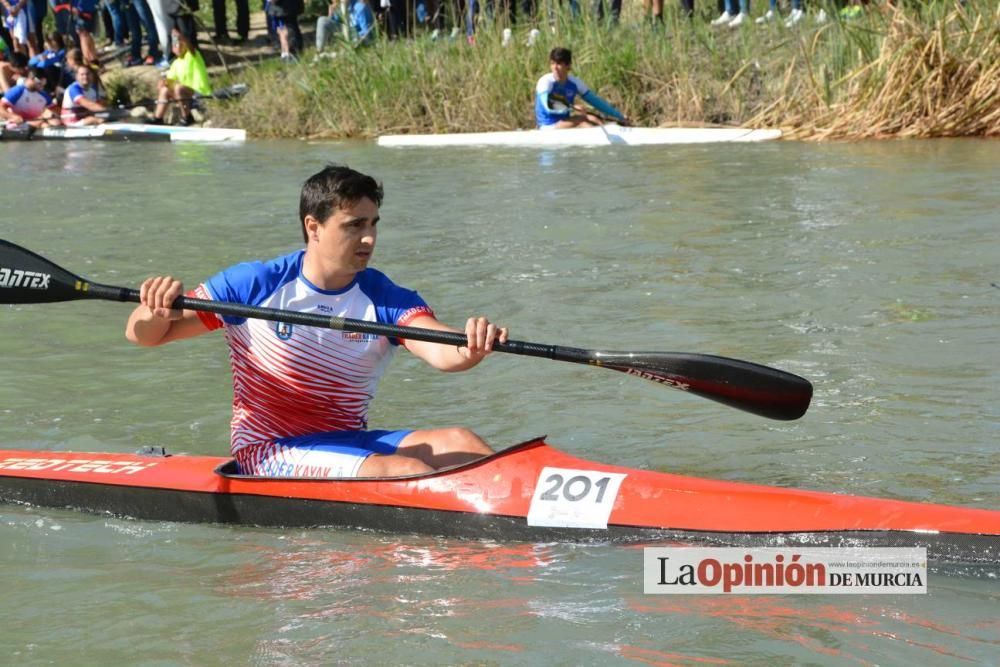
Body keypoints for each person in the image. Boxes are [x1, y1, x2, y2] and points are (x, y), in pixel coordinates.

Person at [126, 165, 507, 479]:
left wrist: (470, 343)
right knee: (404, 468)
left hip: (347, 442)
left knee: (464, 442)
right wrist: (152, 311)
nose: (369, 239)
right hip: (268, 449)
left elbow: (442, 350)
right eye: (354, 226)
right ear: (314, 226)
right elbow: (147, 336)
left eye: (373, 224)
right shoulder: (256, 284)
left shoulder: (382, 295)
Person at [535, 47, 628, 129]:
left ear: (568, 66)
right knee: (582, 119)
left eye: (559, 64)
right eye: (552, 63)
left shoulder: (575, 83)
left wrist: (619, 116)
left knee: (594, 118)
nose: (555, 67)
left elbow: (596, 102)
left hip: (565, 123)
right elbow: (547, 106)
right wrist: (571, 108)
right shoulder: (545, 82)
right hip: (547, 126)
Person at [153, 27, 208, 125]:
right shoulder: (176, 63)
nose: (176, 46)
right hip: (184, 94)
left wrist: (178, 35)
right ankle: (158, 119)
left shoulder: (193, 55)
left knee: (178, 88)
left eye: (178, 43)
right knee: (165, 89)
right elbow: (170, 81)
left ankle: (187, 118)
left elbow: (189, 45)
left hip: (199, 92)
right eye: (174, 45)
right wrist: (163, 83)